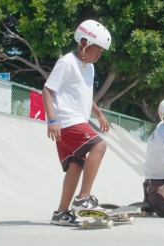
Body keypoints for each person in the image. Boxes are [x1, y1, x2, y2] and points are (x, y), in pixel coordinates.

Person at [42, 20, 112, 226]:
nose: (99, 54)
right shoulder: (67, 62)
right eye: (97, 49)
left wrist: (98, 113)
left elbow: (83, 94)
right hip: (66, 119)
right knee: (99, 146)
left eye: (101, 51)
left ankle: (61, 213)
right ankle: (83, 198)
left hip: (75, 119)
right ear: (83, 43)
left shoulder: (88, 67)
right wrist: (52, 119)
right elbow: (48, 90)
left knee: (75, 165)